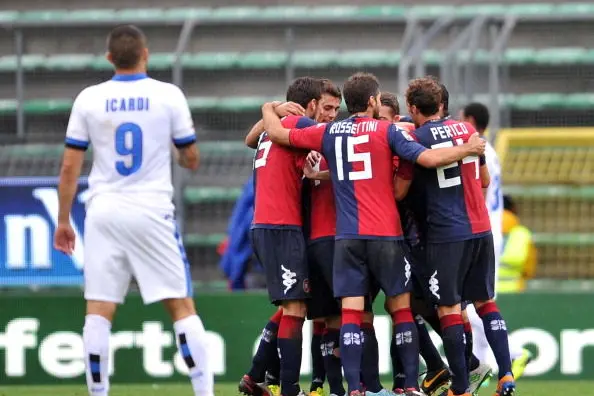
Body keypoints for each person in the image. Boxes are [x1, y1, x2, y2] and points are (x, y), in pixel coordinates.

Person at [261, 72, 486, 396]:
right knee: (401, 309)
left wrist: (269, 108)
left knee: (351, 312)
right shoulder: (387, 130)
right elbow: (430, 157)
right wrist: (470, 147)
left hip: (347, 238)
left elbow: (277, 134)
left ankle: (355, 389)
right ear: (371, 102)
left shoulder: (329, 131)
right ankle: (409, 385)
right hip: (385, 236)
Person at [53, 25, 212, 396]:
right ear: (146, 54)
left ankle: (98, 393)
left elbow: (68, 168)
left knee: (98, 309)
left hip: (103, 209)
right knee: (181, 306)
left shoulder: (88, 99)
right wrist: (178, 152)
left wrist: (63, 220)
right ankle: (204, 392)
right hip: (151, 208)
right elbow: (190, 158)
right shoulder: (167, 95)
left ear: (110, 58)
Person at [395, 77, 515, 396]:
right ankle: (506, 374)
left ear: (413, 108)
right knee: (485, 303)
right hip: (481, 228)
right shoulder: (468, 132)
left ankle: (461, 387)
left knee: (448, 310)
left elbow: (399, 190)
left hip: (447, 234)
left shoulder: (416, 138)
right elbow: (485, 179)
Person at [240, 77, 334, 396]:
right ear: (309, 105)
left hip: (266, 225)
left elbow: (249, 139)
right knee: (295, 309)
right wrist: (271, 109)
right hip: (282, 227)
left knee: (291, 306)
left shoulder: (268, 128)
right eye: (323, 106)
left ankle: (258, 376)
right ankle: (290, 389)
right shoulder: (299, 125)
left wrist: (270, 109)